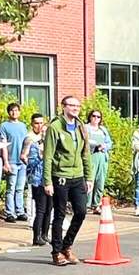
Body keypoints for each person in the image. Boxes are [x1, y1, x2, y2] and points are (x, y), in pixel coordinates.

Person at [42, 95, 93, 265]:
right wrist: (47, 181)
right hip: (60, 176)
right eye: (72, 105)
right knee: (60, 214)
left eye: (78, 106)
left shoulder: (80, 127)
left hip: (77, 176)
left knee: (81, 211)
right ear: (63, 107)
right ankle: (57, 252)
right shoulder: (55, 127)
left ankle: (67, 246)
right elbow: (48, 156)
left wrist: (89, 177)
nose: (75, 108)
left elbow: (85, 153)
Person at [22, 113, 51, 245]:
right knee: (41, 209)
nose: (39, 126)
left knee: (49, 207)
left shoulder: (49, 142)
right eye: (37, 123)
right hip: (37, 179)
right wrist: (40, 155)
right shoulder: (31, 141)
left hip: (49, 179)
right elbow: (27, 161)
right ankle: (36, 236)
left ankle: (45, 234)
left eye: (41, 123)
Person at [0, 102, 30, 222]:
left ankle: (20, 211)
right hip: (11, 160)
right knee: (10, 187)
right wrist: (5, 161)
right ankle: (9, 212)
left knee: (20, 188)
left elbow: (27, 142)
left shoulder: (22, 126)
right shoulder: (4, 126)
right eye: (12, 110)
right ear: (8, 112)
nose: (14, 112)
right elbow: (3, 145)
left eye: (16, 110)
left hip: (22, 161)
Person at [84, 108, 114, 210]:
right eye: (94, 116)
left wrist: (105, 146)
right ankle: (87, 204)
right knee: (89, 180)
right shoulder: (85, 128)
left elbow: (110, 143)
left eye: (98, 117)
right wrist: (95, 145)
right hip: (91, 156)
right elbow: (84, 141)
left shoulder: (103, 130)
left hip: (102, 157)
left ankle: (96, 204)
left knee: (100, 181)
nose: (96, 118)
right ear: (90, 117)